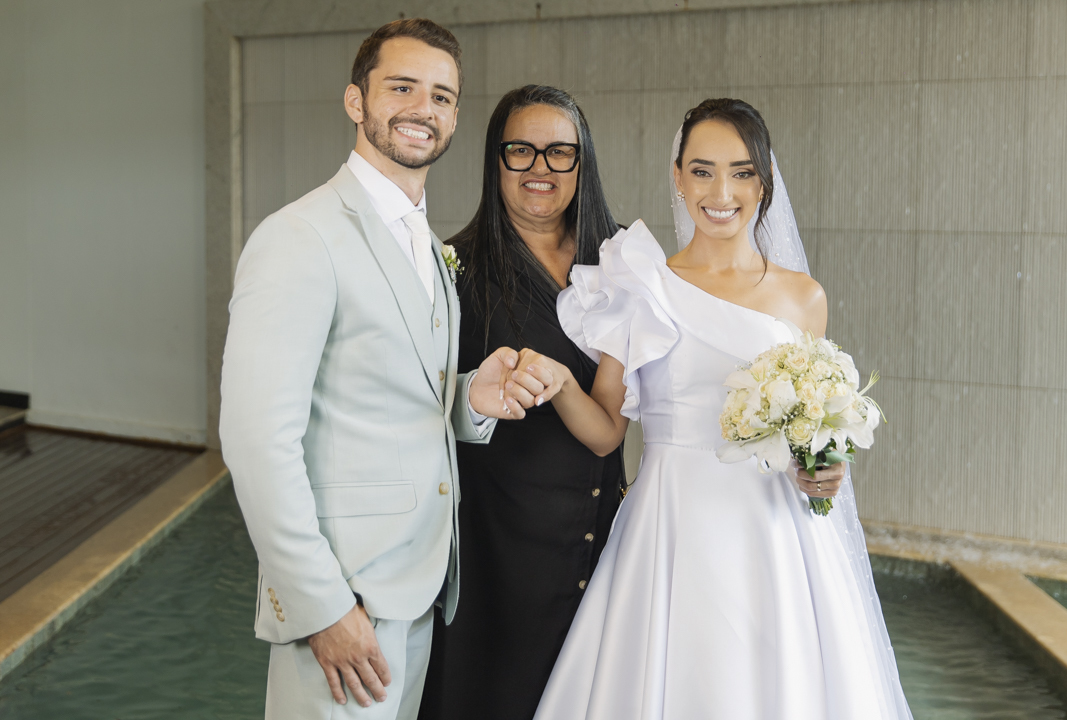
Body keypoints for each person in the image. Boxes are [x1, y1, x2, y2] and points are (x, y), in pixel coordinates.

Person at [520, 99, 913, 719]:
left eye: (741, 171)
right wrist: (561, 381)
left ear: (764, 182)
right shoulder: (639, 283)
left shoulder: (803, 298)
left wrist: (825, 470)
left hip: (776, 531)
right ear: (677, 176)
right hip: (672, 524)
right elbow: (603, 436)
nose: (721, 191)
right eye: (702, 171)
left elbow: (813, 434)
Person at [218, 19, 538, 720]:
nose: (425, 109)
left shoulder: (424, 241)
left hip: (419, 588)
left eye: (444, 96)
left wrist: (469, 396)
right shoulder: (298, 238)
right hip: (345, 597)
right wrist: (322, 606)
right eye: (402, 88)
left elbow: (386, 395)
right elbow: (256, 441)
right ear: (356, 103)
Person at [419, 85, 626, 720]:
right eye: (520, 151)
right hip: (497, 547)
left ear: (582, 164)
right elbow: (418, 408)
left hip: (600, 539)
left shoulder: (621, 262)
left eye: (559, 153)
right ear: (494, 161)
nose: (540, 168)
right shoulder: (451, 270)